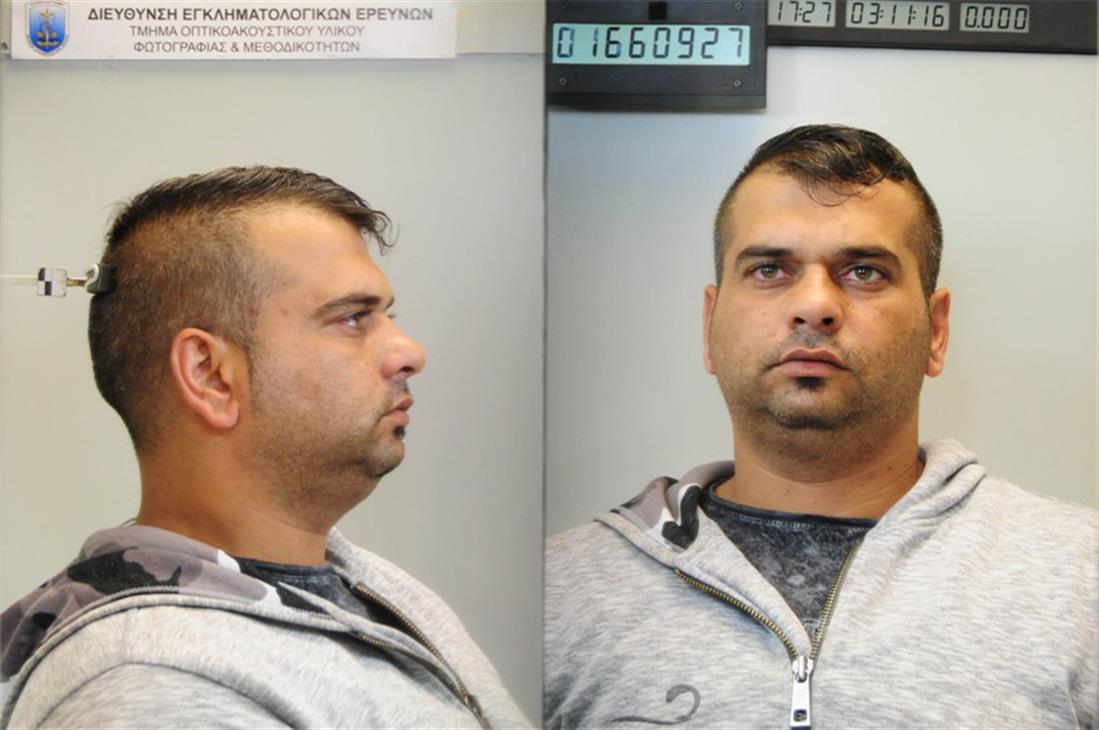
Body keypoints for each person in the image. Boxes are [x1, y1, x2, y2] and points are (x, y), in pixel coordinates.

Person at [543, 125, 1097, 729]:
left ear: (936, 332)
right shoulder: (559, 593)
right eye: (769, 269)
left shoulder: (1079, 578)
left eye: (864, 271)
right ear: (710, 324)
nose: (814, 305)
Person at [1, 167, 529, 729]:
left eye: (387, 316)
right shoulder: (154, 692)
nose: (409, 352)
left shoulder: (367, 585)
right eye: (352, 318)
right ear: (210, 375)